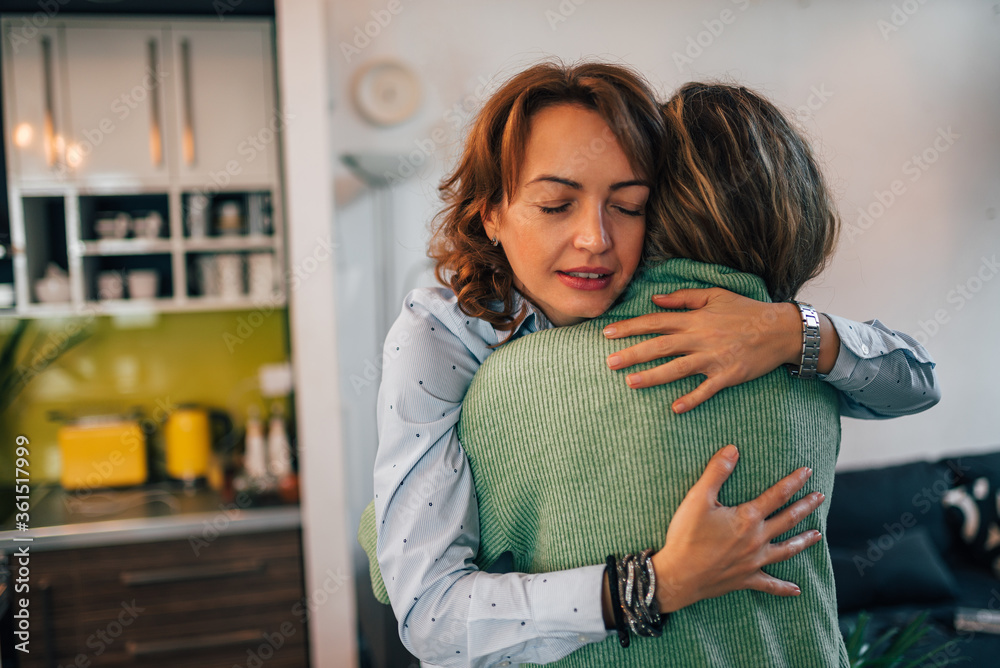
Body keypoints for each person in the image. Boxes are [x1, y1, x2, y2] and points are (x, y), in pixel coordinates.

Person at [358, 63, 939, 667]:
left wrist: (790, 327)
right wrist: (655, 583)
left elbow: (919, 383)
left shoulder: (726, 324)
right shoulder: (442, 338)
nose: (595, 239)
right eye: (556, 205)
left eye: (629, 206)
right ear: (491, 215)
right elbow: (427, 611)